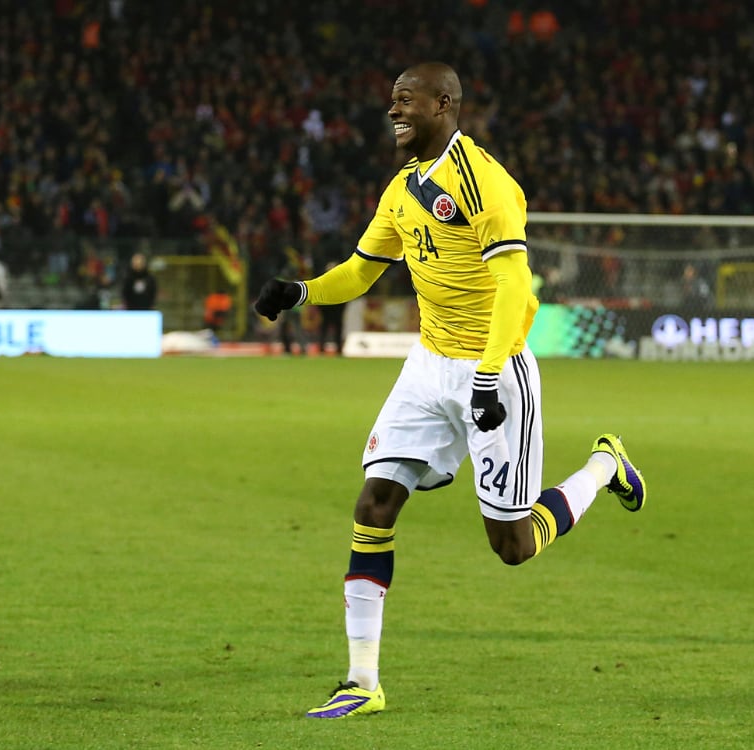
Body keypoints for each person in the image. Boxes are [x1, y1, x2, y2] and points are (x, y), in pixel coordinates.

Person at [254, 62, 647, 719]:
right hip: (428, 365)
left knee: (512, 546)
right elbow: (362, 270)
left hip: (495, 370)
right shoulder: (402, 189)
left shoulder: (485, 181)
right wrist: (302, 292)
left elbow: (515, 287)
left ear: (443, 104)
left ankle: (604, 466)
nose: (393, 111)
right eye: (391, 100)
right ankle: (361, 681)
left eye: (405, 100)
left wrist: (489, 374)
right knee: (374, 502)